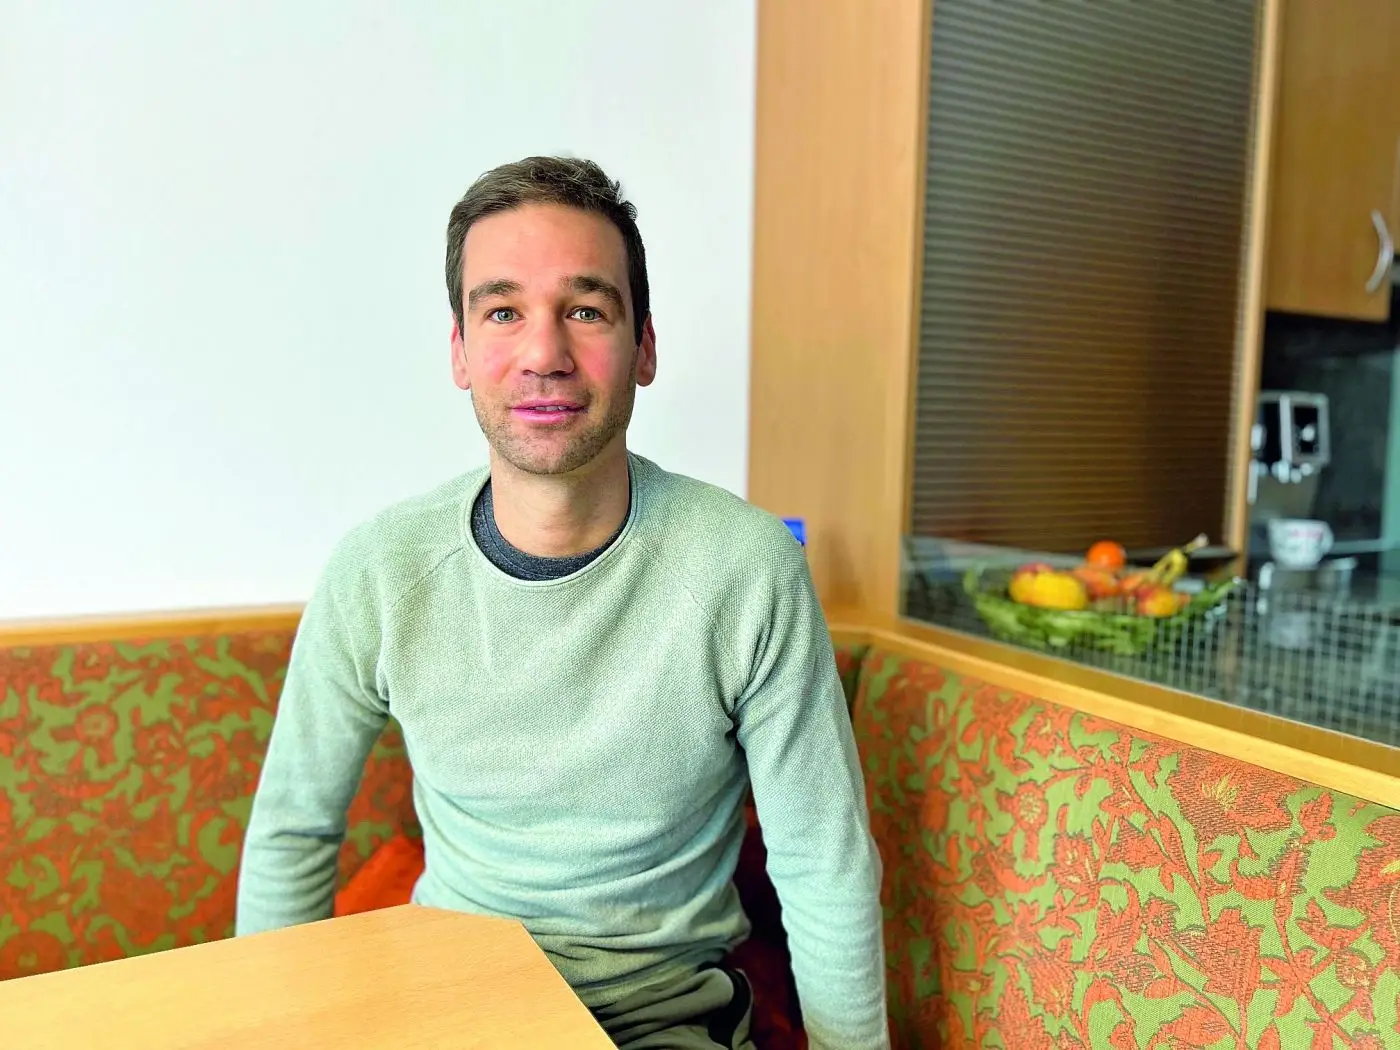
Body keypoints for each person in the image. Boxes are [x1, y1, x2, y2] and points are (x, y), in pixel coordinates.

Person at [235, 155, 889, 1050]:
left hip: (662, 1015)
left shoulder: (746, 568)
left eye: (585, 309)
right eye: (503, 312)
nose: (544, 354)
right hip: (449, 1008)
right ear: (460, 352)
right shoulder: (379, 570)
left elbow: (823, 859)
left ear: (644, 347)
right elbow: (293, 831)